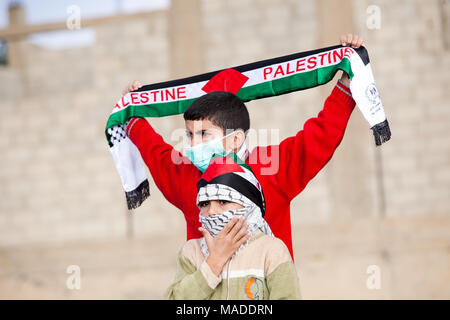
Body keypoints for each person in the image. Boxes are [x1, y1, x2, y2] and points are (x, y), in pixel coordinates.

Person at [123, 34, 365, 259]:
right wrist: (131, 109)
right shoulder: (183, 175)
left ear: (236, 139)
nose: (192, 145)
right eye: (189, 135)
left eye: (204, 134)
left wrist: (348, 76)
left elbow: (321, 135)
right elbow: (153, 148)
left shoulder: (274, 167)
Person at [165, 154, 301, 300]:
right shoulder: (191, 251)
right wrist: (214, 261)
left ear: (249, 205)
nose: (211, 211)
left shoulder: (271, 251)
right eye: (205, 204)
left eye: (223, 201)